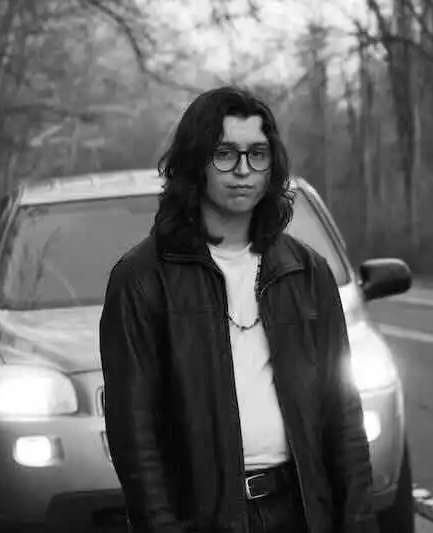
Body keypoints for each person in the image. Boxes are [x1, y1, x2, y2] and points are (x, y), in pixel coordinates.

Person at [99, 86, 378, 533]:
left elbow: (342, 413)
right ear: (195, 163)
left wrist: (359, 520)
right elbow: (134, 429)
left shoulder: (306, 272)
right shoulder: (142, 278)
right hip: (202, 518)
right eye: (225, 154)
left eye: (257, 154)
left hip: (301, 511)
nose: (243, 170)